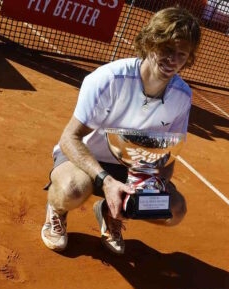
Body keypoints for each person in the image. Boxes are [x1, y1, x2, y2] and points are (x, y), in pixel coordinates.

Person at [40, 7, 201, 254]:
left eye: (181, 54)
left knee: (174, 209)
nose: (173, 60)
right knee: (73, 189)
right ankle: (57, 210)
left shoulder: (182, 96)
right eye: (167, 50)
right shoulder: (109, 79)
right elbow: (69, 138)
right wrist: (105, 180)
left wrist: (150, 185)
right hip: (85, 159)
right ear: (149, 43)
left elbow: (167, 155)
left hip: (133, 168)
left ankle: (109, 212)